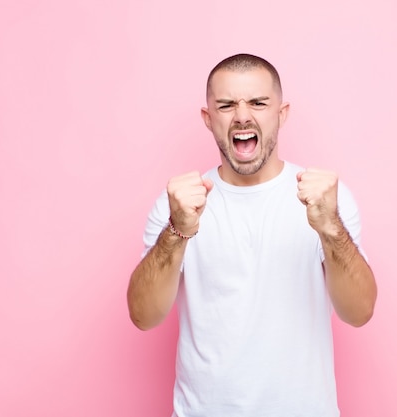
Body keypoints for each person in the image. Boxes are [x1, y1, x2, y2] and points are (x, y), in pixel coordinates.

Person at [127, 53, 377, 417]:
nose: (242, 116)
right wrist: (177, 230)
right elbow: (143, 316)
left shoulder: (325, 200)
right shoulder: (180, 204)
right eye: (226, 105)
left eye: (258, 103)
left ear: (282, 113)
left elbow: (359, 312)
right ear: (208, 118)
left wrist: (331, 228)